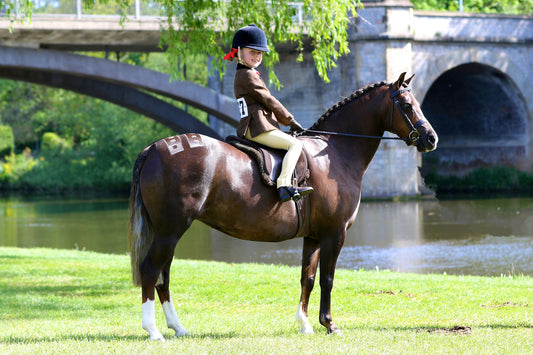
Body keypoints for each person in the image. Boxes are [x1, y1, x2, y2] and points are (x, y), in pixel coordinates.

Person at [223, 24, 313, 203]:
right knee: (295, 145)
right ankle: (284, 185)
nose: (257, 57)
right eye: (252, 52)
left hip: (256, 125)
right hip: (257, 127)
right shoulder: (247, 75)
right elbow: (269, 100)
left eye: (260, 54)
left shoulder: (245, 73)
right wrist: (290, 120)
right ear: (239, 51)